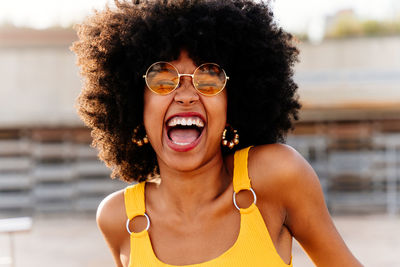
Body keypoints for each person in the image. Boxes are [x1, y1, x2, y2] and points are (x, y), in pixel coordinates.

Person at [72, 0, 362, 266]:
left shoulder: (276, 177)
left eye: (209, 78)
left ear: (232, 104)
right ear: (135, 104)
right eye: (162, 79)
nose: (186, 95)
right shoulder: (118, 218)